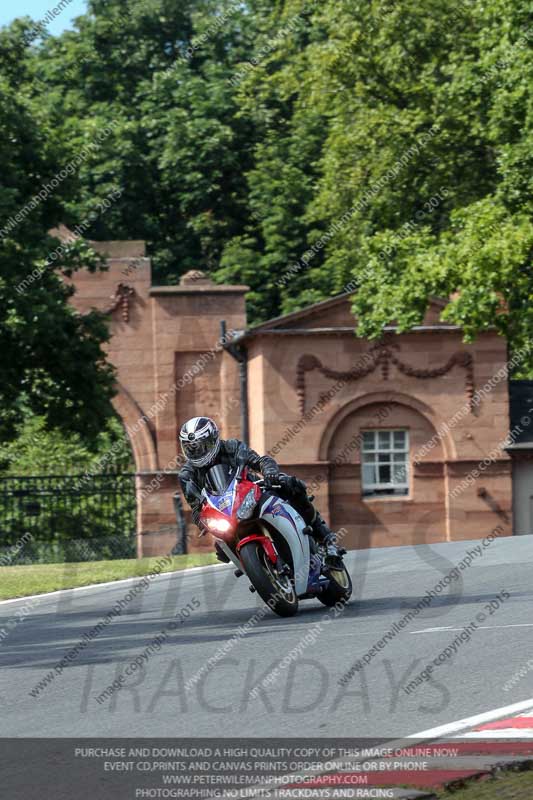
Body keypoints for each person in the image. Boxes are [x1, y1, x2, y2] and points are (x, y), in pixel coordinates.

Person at [177, 416, 343, 566]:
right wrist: (203, 522)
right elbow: (196, 508)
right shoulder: (186, 475)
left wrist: (269, 472)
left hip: (251, 491)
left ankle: (325, 538)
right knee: (221, 547)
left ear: (213, 439)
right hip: (225, 512)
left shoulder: (232, 447)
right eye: (191, 448)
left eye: (201, 446)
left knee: (290, 485)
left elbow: (260, 461)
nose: (196, 452)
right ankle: (257, 570)